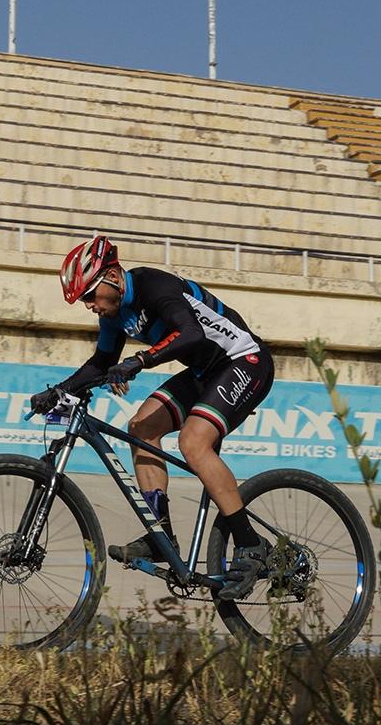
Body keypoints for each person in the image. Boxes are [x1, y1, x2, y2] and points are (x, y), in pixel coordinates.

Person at [30, 234, 275, 601]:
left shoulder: (154, 285)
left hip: (245, 361)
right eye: (83, 300)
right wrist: (59, 390)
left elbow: (190, 333)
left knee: (193, 443)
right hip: (205, 372)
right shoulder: (115, 315)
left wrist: (141, 360)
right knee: (142, 427)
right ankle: (162, 536)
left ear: (113, 277)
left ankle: (250, 544)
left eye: (90, 295)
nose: (89, 306)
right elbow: (102, 362)